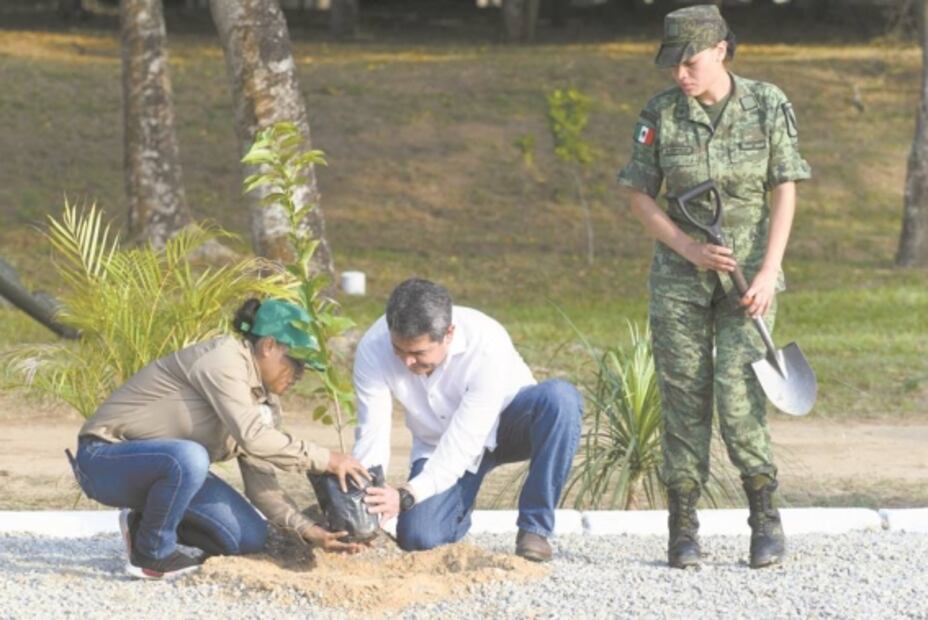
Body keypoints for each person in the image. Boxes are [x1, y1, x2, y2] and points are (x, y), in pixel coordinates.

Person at [616, 4, 811, 569]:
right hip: (680, 279)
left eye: (690, 61)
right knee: (684, 397)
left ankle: (764, 520)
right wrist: (689, 248)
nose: (680, 73)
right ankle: (683, 530)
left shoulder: (768, 103)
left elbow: (785, 188)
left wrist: (771, 271)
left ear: (721, 49)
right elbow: (638, 194)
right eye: (673, 63)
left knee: (740, 391)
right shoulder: (661, 114)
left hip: (750, 278)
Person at [70, 298, 370, 579]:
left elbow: (262, 484)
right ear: (268, 346)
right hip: (104, 460)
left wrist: (310, 530)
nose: (299, 375)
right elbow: (254, 439)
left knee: (249, 537)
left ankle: (142, 526)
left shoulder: (263, 401)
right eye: (296, 363)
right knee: (189, 458)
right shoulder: (223, 360)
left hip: (164, 470)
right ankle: (151, 555)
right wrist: (328, 460)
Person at [352, 278, 582, 562]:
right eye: (399, 351)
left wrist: (409, 494)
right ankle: (455, 513)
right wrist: (366, 498)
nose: (407, 363)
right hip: (438, 443)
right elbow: (371, 433)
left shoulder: (486, 341)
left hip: (509, 424)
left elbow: (466, 440)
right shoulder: (372, 348)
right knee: (419, 539)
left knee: (561, 399)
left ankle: (534, 529)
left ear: (448, 333)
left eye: (418, 353)